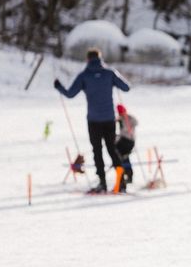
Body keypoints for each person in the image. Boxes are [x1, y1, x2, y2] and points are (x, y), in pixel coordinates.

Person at [55, 48, 130, 193]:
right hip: (109, 119)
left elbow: (70, 94)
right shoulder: (109, 73)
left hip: (94, 120)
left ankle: (102, 183)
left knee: (97, 151)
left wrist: (59, 87)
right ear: (100, 58)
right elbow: (126, 87)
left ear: (88, 60)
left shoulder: (84, 76)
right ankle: (121, 181)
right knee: (112, 149)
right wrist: (114, 80)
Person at [115, 104, 138, 190]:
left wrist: (127, 122)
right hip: (122, 140)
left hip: (128, 141)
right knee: (123, 157)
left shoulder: (129, 118)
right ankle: (126, 174)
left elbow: (135, 123)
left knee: (123, 157)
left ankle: (127, 174)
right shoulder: (120, 119)